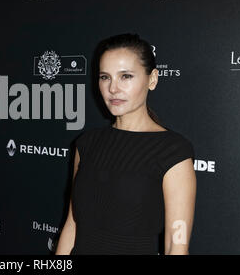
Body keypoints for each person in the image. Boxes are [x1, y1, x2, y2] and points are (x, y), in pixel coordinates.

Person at [55, 33, 196, 255]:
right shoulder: (86, 144)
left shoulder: (173, 151)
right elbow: (72, 225)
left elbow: (176, 246)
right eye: (105, 77)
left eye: (126, 76)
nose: (113, 88)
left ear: (153, 79)